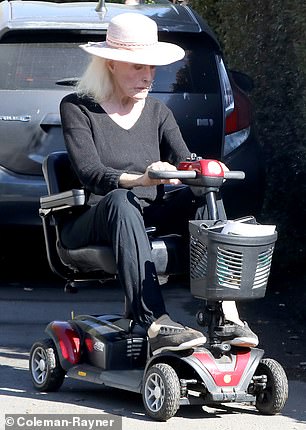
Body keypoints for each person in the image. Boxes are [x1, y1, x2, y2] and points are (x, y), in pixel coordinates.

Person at [59, 12, 258, 355]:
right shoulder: (77, 108)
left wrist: (204, 170)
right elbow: (90, 172)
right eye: (137, 67)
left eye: (151, 68)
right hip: (94, 218)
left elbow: (186, 159)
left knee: (204, 192)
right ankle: (155, 322)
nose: (147, 76)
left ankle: (226, 314)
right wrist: (141, 179)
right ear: (110, 63)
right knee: (122, 199)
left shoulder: (157, 111)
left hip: (146, 213)